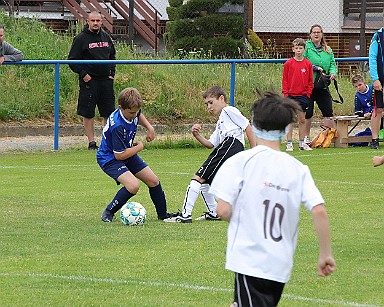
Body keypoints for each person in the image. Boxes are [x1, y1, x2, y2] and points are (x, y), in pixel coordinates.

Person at [210, 92, 336, 307]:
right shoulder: (298, 168)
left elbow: (222, 210)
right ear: (288, 129)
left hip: (250, 258)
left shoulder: (240, 162)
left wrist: (243, 219)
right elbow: (319, 210)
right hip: (280, 262)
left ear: (254, 124)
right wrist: (325, 253)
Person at [164, 86, 256, 223]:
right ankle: (214, 213)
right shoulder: (221, 122)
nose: (209, 107)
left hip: (231, 144)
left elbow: (247, 126)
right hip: (229, 146)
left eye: (211, 102)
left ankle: (185, 216)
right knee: (206, 183)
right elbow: (210, 144)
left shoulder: (228, 110)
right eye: (206, 104)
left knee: (197, 178)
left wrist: (253, 152)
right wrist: (196, 135)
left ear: (222, 98)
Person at [97, 87, 175, 222]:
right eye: (131, 112)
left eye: (137, 111)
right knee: (133, 186)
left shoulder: (133, 110)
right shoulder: (118, 126)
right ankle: (108, 212)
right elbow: (119, 156)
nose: (135, 115)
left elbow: (139, 116)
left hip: (127, 152)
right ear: (120, 107)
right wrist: (139, 147)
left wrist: (150, 128)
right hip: (110, 158)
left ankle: (163, 215)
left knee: (153, 181)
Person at [68, 11, 116, 150]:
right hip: (89, 81)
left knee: (108, 112)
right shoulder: (80, 39)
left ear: (102, 22)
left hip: (106, 81)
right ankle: (91, 142)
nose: (95, 23)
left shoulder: (106, 37)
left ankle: (106, 142)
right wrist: (84, 74)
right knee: (88, 112)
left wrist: (111, 73)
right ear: (87, 22)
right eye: (93, 20)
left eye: (98, 20)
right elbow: (72, 61)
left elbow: (113, 57)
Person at [303, 24, 337, 144]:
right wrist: (314, 67)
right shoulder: (306, 47)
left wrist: (333, 73)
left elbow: (332, 63)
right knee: (308, 112)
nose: (316, 34)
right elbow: (302, 61)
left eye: (318, 32)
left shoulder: (328, 49)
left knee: (328, 111)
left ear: (322, 34)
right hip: (309, 84)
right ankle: (306, 136)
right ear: (310, 34)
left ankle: (330, 136)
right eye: (314, 32)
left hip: (322, 84)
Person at [282, 38, 314, 151]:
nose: (298, 50)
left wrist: (308, 93)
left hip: (303, 96)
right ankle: (289, 142)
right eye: (296, 48)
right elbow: (285, 79)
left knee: (302, 120)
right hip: (290, 95)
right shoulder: (288, 64)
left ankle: (302, 142)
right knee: (290, 119)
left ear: (304, 49)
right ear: (293, 49)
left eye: (301, 48)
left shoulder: (308, 64)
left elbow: (311, 81)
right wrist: (286, 93)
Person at [368, 27, 384, 149]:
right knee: (378, 109)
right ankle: (374, 139)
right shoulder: (378, 37)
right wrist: (375, 79)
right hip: (381, 78)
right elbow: (372, 58)